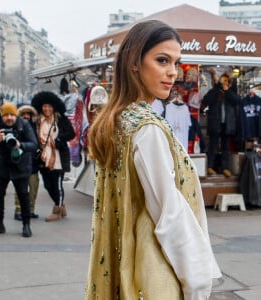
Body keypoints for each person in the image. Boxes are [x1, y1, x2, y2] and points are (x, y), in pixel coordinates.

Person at [85, 20, 221, 300]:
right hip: (152, 277)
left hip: (123, 273)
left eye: (176, 63)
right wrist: (197, 282)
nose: (172, 72)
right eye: (162, 60)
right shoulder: (147, 129)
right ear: (135, 62)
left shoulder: (116, 122)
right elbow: (169, 213)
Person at [0, 102, 38, 237]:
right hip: (3, 166)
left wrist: (20, 144)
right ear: (1, 115)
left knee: (23, 196)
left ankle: (26, 225)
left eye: (12, 115)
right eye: (6, 115)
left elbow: (34, 145)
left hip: (21, 165)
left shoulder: (23, 125)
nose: (9, 118)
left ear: (16, 115)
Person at [31, 91, 75, 222]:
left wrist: (59, 140)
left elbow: (71, 134)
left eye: (50, 106)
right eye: (44, 106)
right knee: (47, 185)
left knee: (57, 184)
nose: (47, 109)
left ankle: (57, 209)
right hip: (43, 158)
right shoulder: (37, 121)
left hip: (58, 157)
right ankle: (61, 205)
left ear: (54, 107)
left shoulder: (61, 119)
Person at [200, 71, 240, 177]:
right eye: (223, 80)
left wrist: (227, 91)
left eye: (227, 80)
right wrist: (217, 87)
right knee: (213, 146)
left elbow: (237, 101)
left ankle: (225, 168)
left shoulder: (231, 92)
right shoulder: (215, 91)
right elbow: (206, 100)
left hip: (227, 124)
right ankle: (210, 167)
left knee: (225, 147)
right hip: (215, 123)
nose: (225, 82)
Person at [14, 105, 40, 221]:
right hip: (21, 163)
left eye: (28, 114)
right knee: (21, 188)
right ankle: (19, 210)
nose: (26, 116)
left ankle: (31, 210)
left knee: (33, 188)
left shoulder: (36, 127)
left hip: (34, 163)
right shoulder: (16, 127)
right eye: (23, 114)